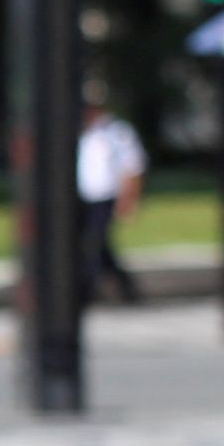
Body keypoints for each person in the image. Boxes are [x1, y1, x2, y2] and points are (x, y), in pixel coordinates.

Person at [75, 98, 148, 305]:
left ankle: (86, 292)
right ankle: (126, 288)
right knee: (97, 245)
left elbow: (133, 166)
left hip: (106, 197)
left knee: (96, 242)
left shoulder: (116, 131)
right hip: (84, 198)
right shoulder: (83, 133)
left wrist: (128, 199)